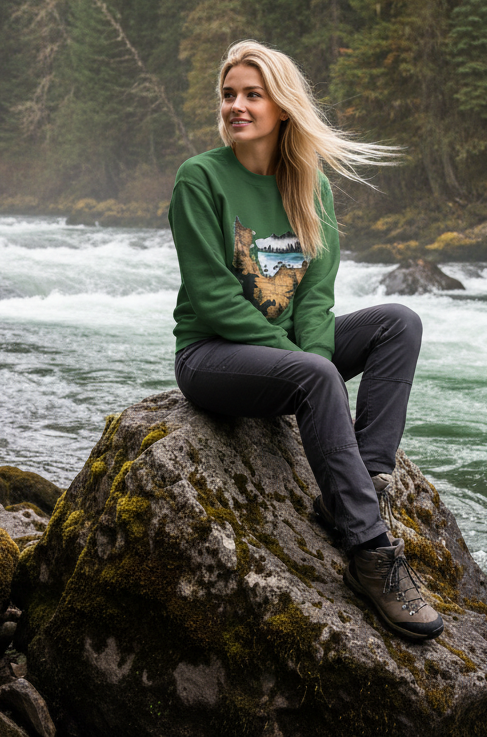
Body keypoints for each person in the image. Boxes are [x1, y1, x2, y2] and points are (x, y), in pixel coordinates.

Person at [169, 39, 442, 641]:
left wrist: (311, 359)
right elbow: (213, 297)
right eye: (228, 95)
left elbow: (316, 299)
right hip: (211, 355)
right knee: (316, 376)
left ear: (282, 106)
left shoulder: (309, 186)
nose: (236, 106)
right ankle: (371, 556)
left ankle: (363, 485)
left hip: (287, 350)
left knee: (399, 322)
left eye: (252, 94)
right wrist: (307, 367)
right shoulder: (200, 178)